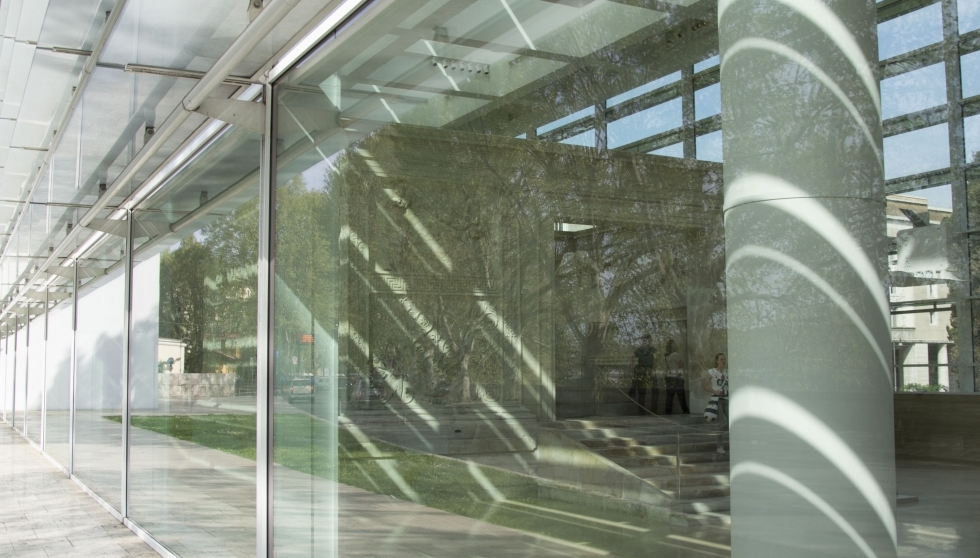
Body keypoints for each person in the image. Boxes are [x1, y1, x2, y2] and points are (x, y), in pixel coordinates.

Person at [702, 352, 729, 453]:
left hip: (726, 399)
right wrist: (715, 391)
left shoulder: (727, 372)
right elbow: (705, 386)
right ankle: (719, 445)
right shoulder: (711, 372)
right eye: (721, 359)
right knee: (721, 422)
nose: (723, 361)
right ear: (717, 361)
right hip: (717, 400)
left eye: (724, 359)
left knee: (730, 421)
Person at [632, 334, 658, 415]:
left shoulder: (639, 349)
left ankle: (641, 411)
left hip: (641, 371)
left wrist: (633, 367)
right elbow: (656, 358)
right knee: (655, 390)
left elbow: (631, 356)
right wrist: (654, 369)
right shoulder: (651, 349)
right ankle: (653, 410)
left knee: (642, 392)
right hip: (649, 370)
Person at [664, 340, 690, 414]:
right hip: (677, 376)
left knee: (669, 396)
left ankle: (668, 411)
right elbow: (681, 365)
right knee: (681, 395)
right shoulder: (676, 354)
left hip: (669, 376)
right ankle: (685, 410)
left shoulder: (667, 356)